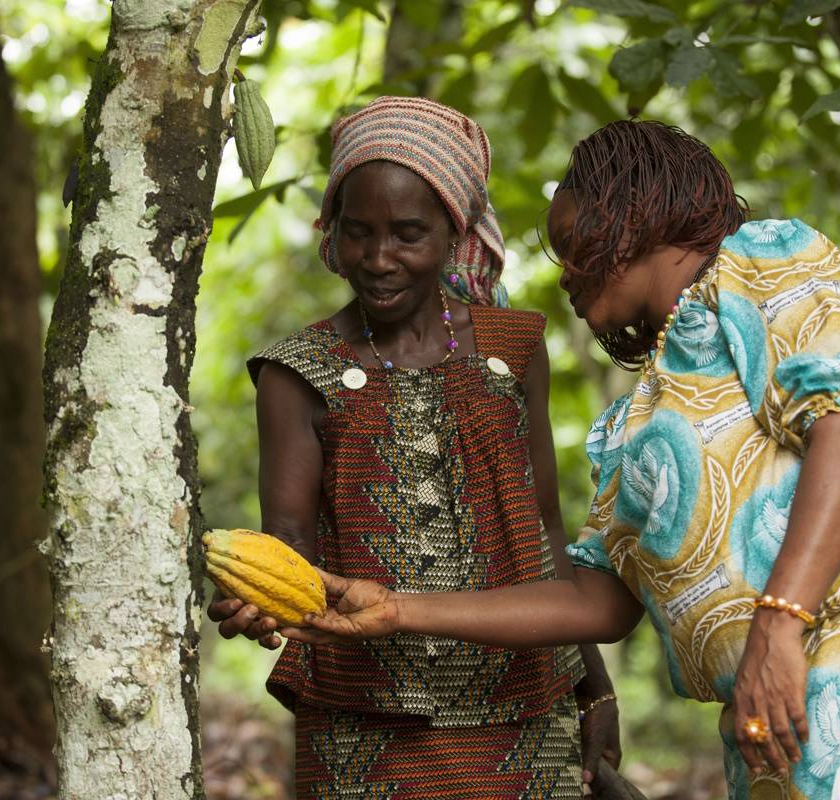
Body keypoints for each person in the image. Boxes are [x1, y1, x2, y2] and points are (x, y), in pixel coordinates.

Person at [285, 119, 840, 800]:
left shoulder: (765, 261)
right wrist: (400, 610)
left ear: (626, 217)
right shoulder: (642, 419)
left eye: (570, 246)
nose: (564, 280)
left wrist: (778, 624)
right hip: (769, 701)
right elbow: (598, 599)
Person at [207, 96, 623, 799]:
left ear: (453, 232)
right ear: (331, 233)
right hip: (362, 726)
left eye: (407, 234)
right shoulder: (297, 370)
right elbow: (286, 538)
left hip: (524, 709)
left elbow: (546, 528)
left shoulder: (514, 348)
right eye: (356, 231)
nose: (377, 259)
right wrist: (260, 598)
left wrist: (595, 689)